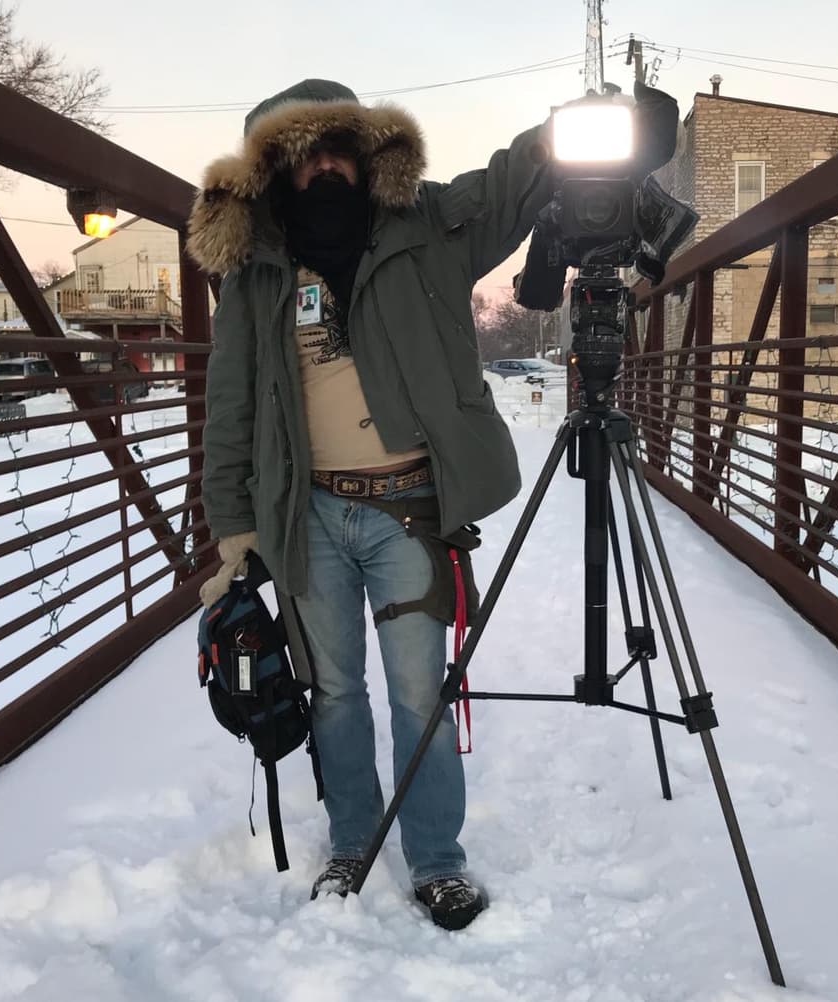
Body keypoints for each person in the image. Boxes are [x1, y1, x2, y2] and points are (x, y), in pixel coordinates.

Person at [187, 78, 555, 931]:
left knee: (419, 694)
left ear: (363, 151)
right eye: (301, 154)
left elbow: (508, 186)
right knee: (337, 695)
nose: (324, 165)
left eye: (336, 148)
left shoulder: (426, 226)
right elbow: (231, 407)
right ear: (276, 169)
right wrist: (234, 534)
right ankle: (352, 839)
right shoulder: (256, 273)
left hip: (410, 511)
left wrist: (563, 134)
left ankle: (435, 859)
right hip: (308, 515)